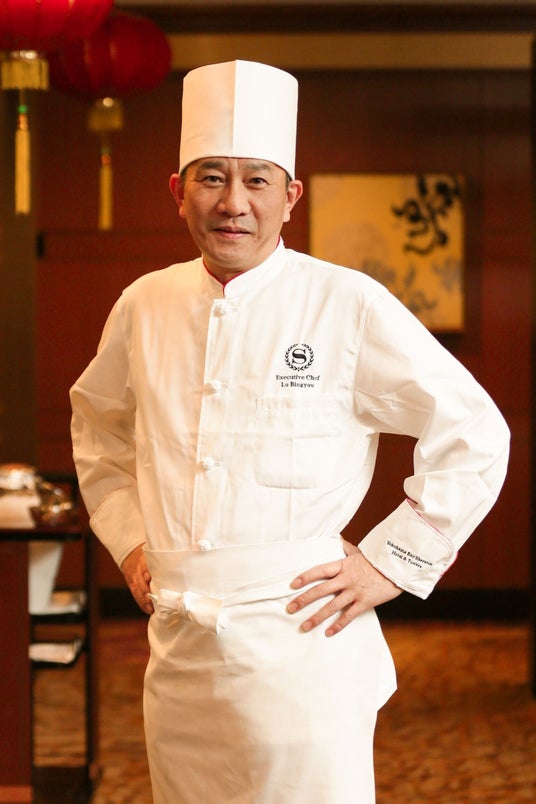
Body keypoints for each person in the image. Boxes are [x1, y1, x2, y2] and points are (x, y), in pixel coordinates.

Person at [70, 60, 510, 803]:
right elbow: (99, 427)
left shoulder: (345, 302)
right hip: (178, 643)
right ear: (178, 192)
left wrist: (391, 562)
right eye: (211, 178)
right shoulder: (144, 304)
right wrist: (130, 539)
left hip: (303, 639)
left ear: (290, 196)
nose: (233, 203)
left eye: (257, 181)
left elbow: (474, 430)